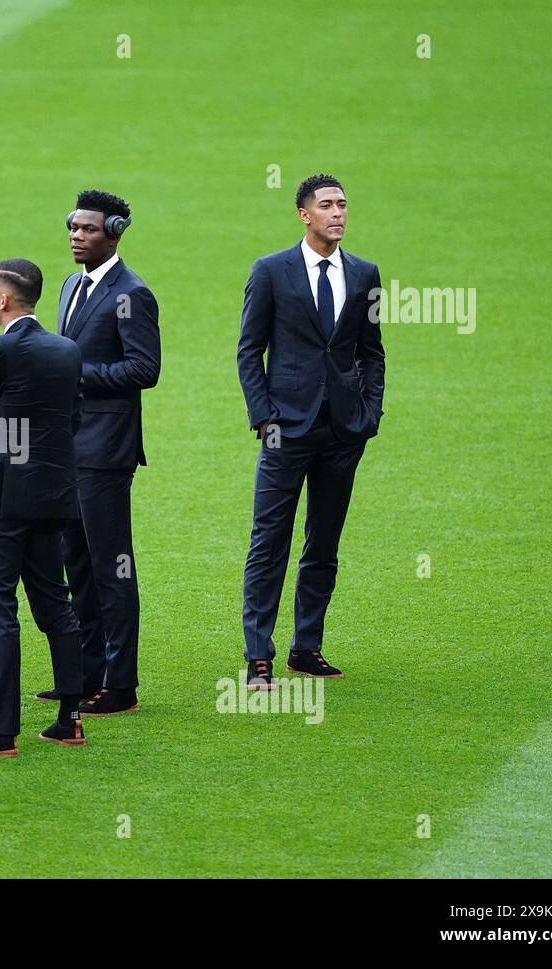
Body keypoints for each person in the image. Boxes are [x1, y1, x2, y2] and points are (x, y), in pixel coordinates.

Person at [236, 173, 386, 689]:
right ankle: (259, 654)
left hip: (343, 430)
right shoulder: (271, 271)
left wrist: (370, 414)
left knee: (324, 542)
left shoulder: (365, 274)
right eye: (327, 205)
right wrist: (263, 415)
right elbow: (248, 349)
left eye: (343, 204)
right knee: (269, 539)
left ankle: (307, 648)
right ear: (305, 215)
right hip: (285, 429)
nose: (338, 213)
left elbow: (371, 351)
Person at [0, 259, 88, 758]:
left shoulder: (0, 348)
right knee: (55, 605)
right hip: (52, 498)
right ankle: (70, 719)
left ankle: (1, 730)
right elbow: (75, 415)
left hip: (2, 500)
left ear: (4, 301)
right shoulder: (67, 350)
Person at [36, 190, 160, 717]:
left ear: (114, 231)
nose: (76, 236)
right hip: (69, 449)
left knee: (113, 567)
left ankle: (121, 684)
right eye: (73, 227)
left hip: (106, 453)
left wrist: (75, 374)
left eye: (87, 229)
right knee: (78, 565)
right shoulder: (70, 284)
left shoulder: (132, 294)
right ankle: (86, 674)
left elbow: (144, 369)